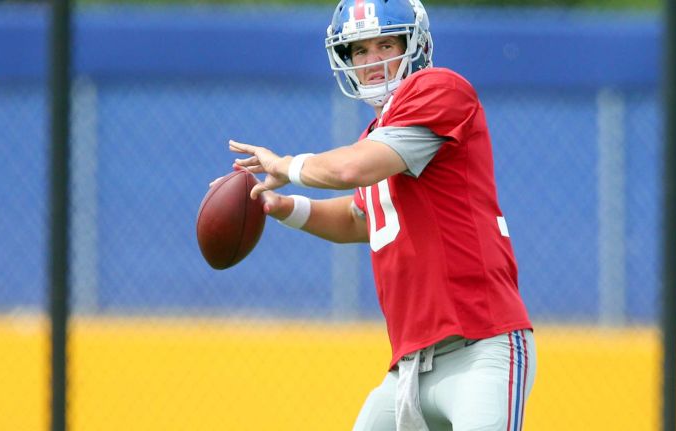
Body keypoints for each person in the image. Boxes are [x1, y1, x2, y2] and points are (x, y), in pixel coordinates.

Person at [219, 0, 536, 429]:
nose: (372, 62)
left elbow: (350, 168)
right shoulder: (374, 139)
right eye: (360, 51)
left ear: (415, 45)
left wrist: (286, 165)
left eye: (385, 44)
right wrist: (284, 206)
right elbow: (361, 219)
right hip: (409, 364)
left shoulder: (439, 89)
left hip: (480, 345)